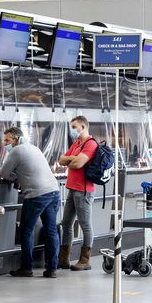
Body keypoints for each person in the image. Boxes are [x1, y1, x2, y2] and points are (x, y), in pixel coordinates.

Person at [0, 127, 62, 278]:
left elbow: (4, 173)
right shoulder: (34, 148)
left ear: (16, 139)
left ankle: (26, 267)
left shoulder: (16, 150)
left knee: (26, 230)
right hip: (53, 191)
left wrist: (14, 178)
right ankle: (52, 269)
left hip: (36, 194)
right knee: (51, 231)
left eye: (7, 140)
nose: (5, 143)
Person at [58, 116, 98, 271]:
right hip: (72, 188)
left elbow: (77, 164)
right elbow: (61, 160)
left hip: (84, 190)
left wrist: (72, 160)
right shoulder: (77, 143)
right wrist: (72, 159)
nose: (72, 130)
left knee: (85, 224)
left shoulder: (90, 144)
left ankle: (85, 260)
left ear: (83, 126)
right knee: (66, 223)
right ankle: (64, 259)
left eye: (74, 127)